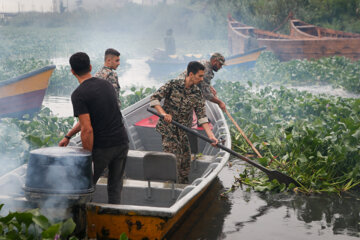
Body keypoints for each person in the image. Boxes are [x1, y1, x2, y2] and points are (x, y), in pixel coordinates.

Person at [59, 52, 129, 204]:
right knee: (115, 187)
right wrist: (68, 136)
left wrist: (87, 157)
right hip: (122, 142)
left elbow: (87, 129)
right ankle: (114, 221)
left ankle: (81, 223)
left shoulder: (78, 94)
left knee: (84, 186)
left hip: (103, 148)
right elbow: (89, 119)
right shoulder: (107, 85)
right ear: (90, 67)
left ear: (72, 71)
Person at [150, 61, 218, 184]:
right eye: (200, 76)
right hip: (168, 130)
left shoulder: (197, 93)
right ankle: (169, 187)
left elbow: (202, 117)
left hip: (184, 131)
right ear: (191, 74)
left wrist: (211, 136)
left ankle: (182, 187)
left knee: (185, 163)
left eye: (203, 76)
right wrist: (164, 114)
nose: (202, 79)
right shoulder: (173, 84)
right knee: (173, 161)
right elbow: (154, 99)